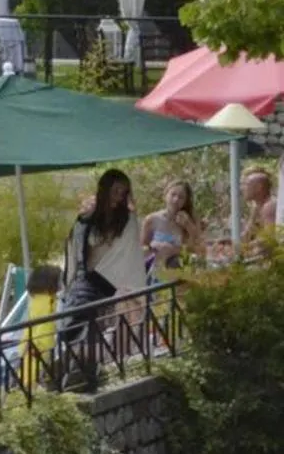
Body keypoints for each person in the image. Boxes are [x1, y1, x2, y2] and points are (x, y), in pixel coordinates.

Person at [73, 166, 149, 299]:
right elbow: (76, 252)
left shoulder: (127, 219)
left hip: (116, 286)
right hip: (88, 284)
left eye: (123, 193)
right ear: (105, 189)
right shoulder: (87, 218)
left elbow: (132, 255)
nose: (119, 197)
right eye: (116, 191)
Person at [142, 180, 204, 272]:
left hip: (179, 272)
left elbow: (198, 250)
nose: (176, 200)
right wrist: (154, 248)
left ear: (185, 202)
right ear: (165, 195)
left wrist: (188, 226)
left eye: (181, 197)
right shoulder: (151, 219)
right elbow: (142, 247)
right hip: (155, 270)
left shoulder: (190, 220)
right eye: (173, 195)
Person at [22, 263, 62, 390]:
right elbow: (46, 328)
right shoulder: (48, 302)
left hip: (29, 348)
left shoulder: (36, 301)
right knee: (33, 381)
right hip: (39, 350)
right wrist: (42, 348)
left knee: (26, 379)